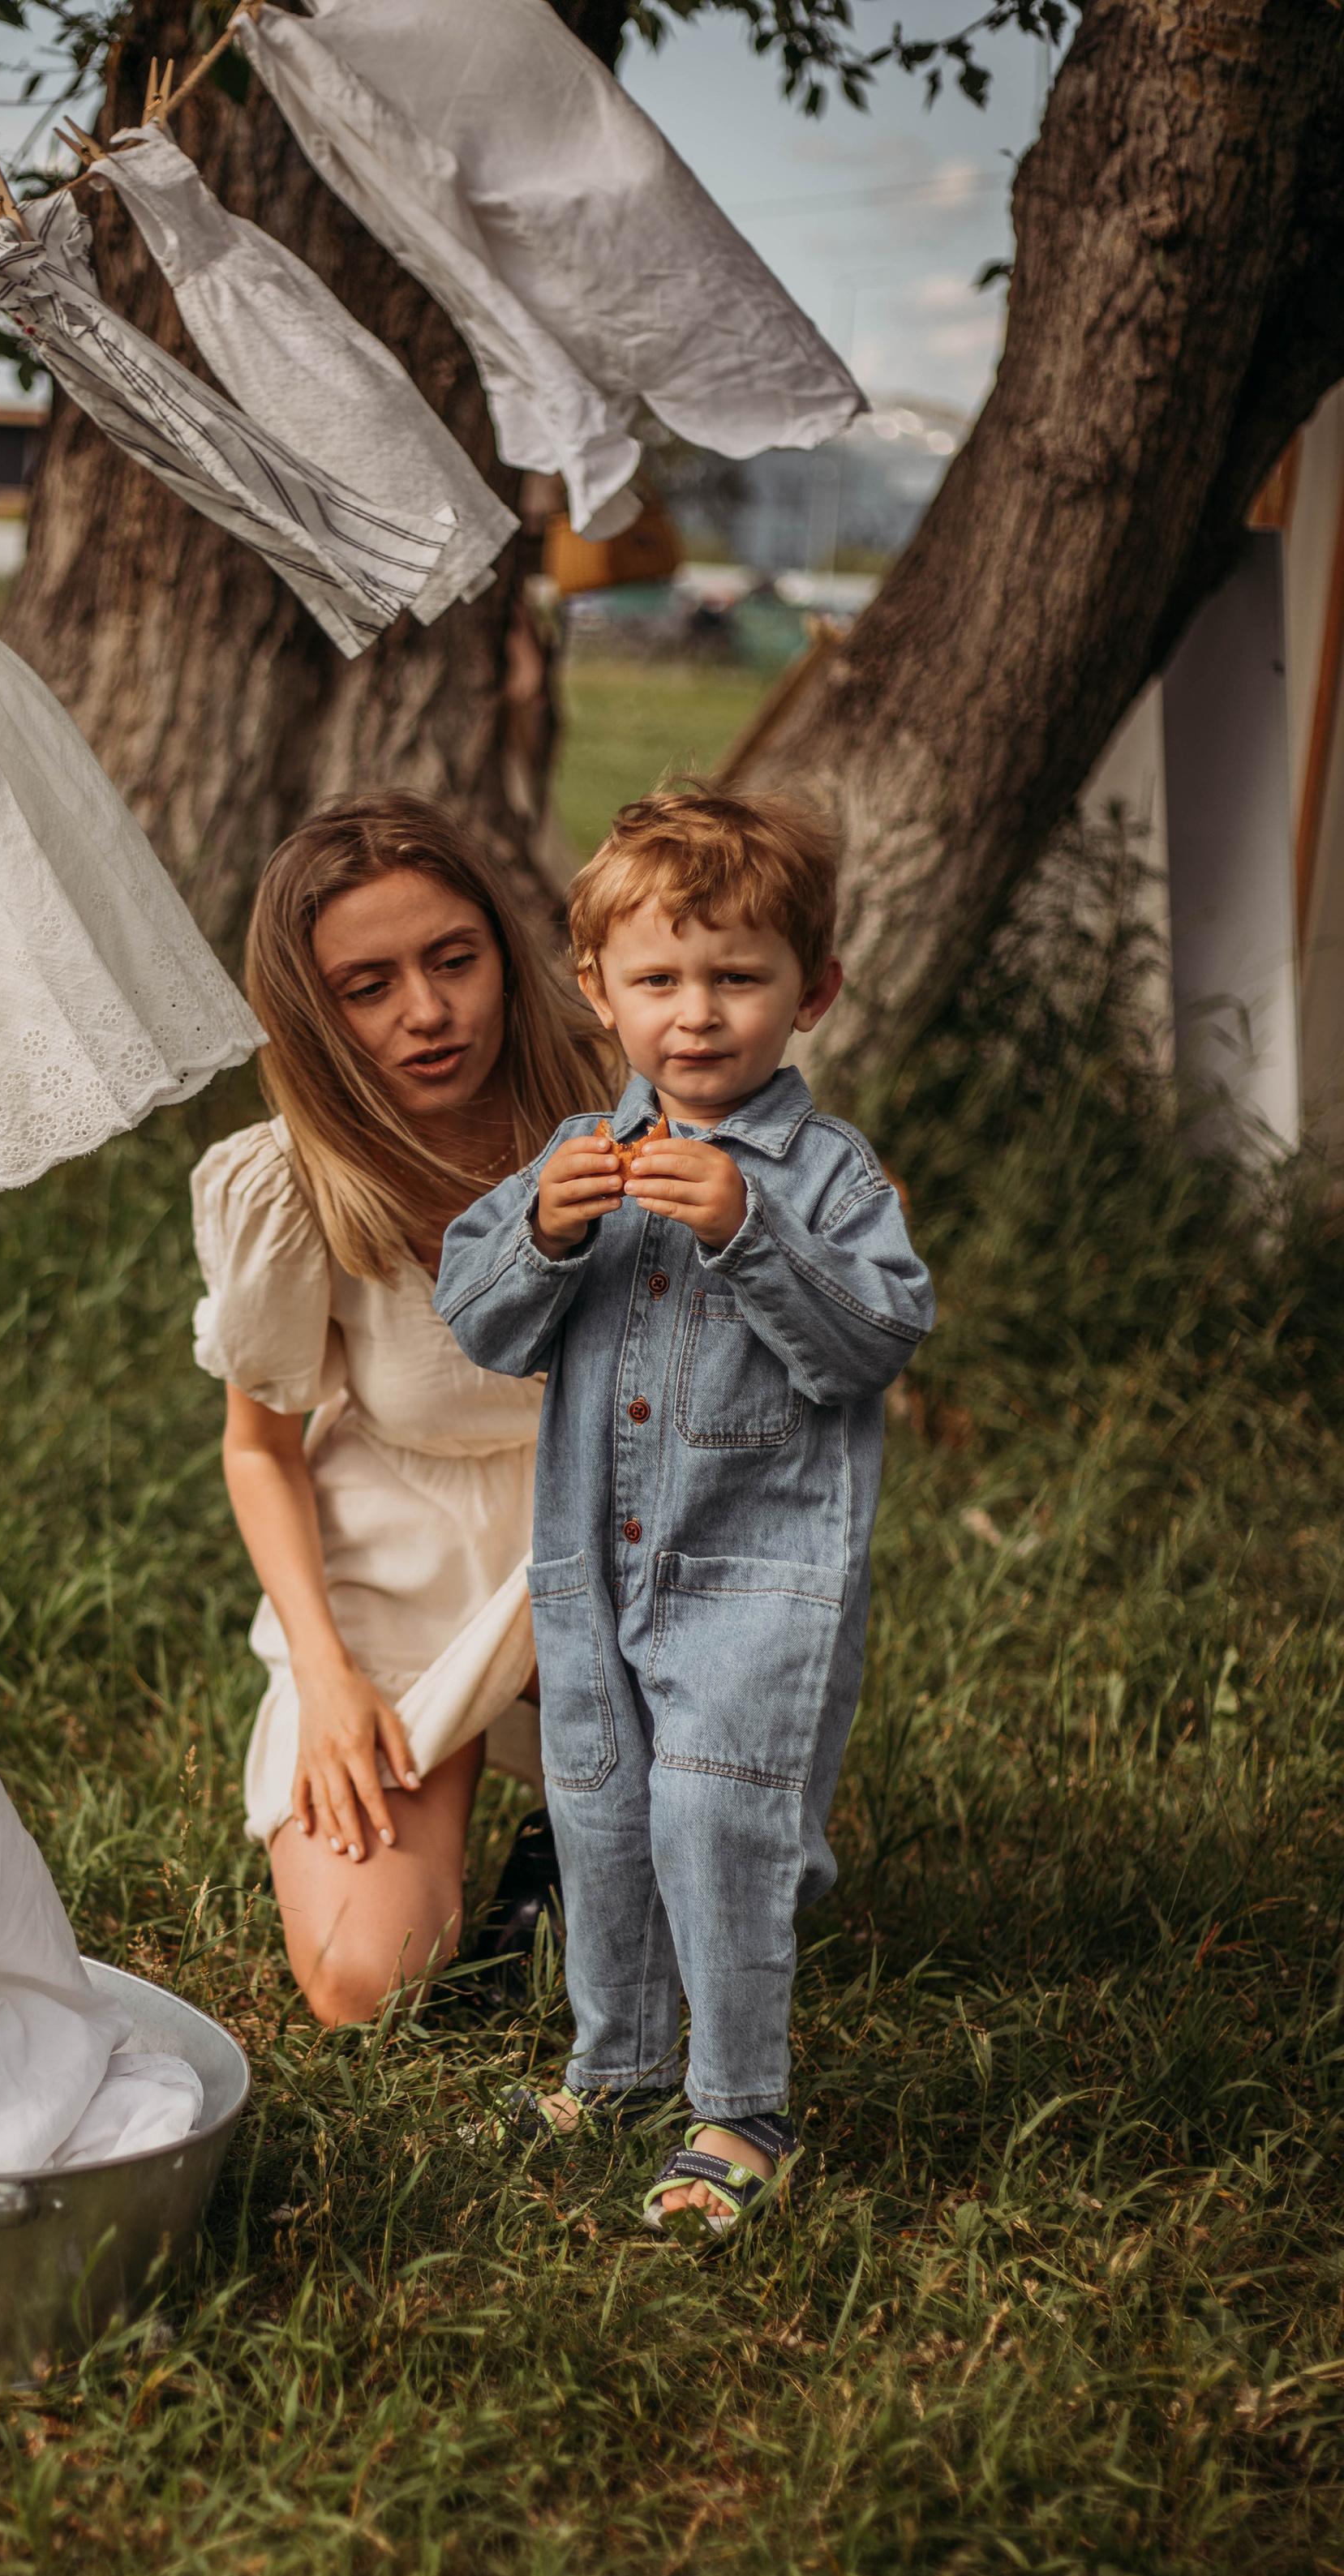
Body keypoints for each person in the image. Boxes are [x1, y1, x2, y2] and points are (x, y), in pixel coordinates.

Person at [434, 790, 934, 2240]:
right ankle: (620, 2063)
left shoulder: (825, 1173)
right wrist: (539, 1235)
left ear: (813, 991)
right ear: (599, 993)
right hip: (591, 1570)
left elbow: (873, 1338)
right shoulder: (579, 1154)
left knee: (714, 1819)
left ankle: (741, 2103)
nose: (697, 1015)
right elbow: (481, 1324)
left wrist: (744, 1231)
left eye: (738, 977)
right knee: (600, 1816)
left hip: (755, 1575)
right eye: (658, 980)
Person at [191, 794, 616, 2024]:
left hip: (605, 1519)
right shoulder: (290, 1180)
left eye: (452, 961)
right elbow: (260, 1448)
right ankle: (469, 1767)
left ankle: (581, 1828)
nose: (426, 1014)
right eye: (365, 987)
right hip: (403, 1538)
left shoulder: (612, 1108)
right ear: (310, 1015)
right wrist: (326, 1676)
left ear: (505, 954)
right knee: (363, 1980)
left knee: (710, 1915)